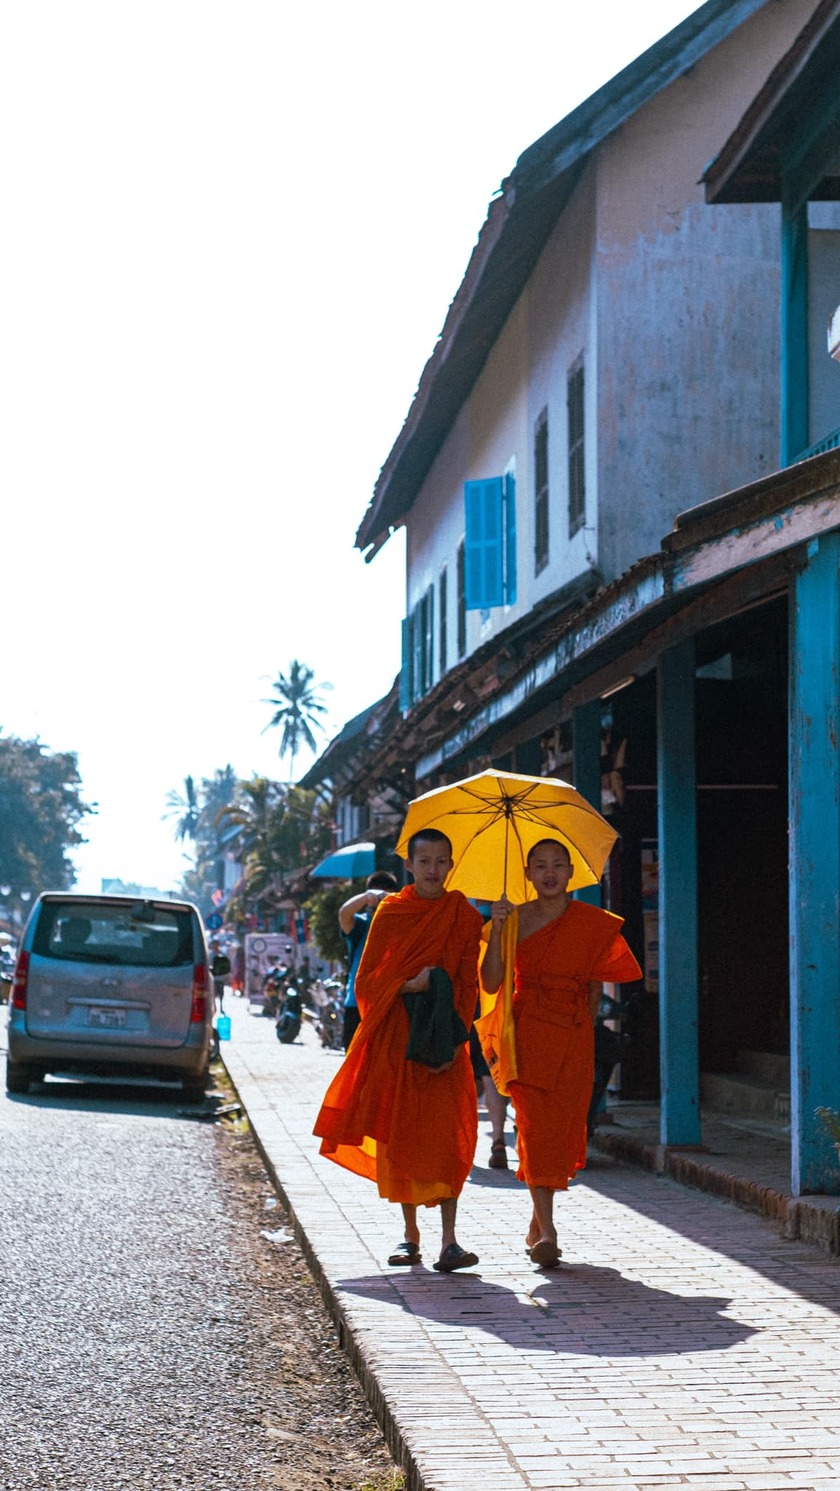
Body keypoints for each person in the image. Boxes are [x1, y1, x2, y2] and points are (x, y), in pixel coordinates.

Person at [313, 829, 482, 1273]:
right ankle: (410, 1237)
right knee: (402, 1136)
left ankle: (450, 1241)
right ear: (409, 864)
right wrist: (411, 984)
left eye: (441, 861)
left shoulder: (463, 915)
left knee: (448, 1138)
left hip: (445, 1041)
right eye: (424, 860)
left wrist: (455, 1034)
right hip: (398, 1040)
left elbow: (468, 983)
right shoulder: (391, 912)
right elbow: (366, 982)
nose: (432, 869)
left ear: (451, 864)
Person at [479, 838, 641, 1269]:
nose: (549, 873)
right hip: (528, 1034)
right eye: (540, 866)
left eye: (557, 865)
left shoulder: (590, 922)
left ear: (572, 872)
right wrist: (496, 930)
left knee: (564, 1129)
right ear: (528, 874)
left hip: (572, 1036)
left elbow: (593, 984)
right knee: (533, 1129)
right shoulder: (512, 920)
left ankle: (536, 1223)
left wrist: (581, 1027)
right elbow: (492, 983)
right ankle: (548, 1231)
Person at [337, 871, 399, 1049]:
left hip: (390, 1004)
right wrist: (367, 896)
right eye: (377, 896)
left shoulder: (401, 924)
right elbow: (344, 914)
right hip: (357, 1004)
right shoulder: (361, 924)